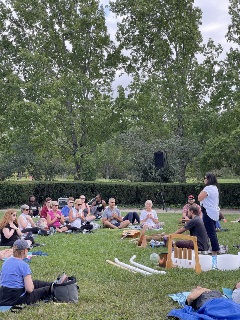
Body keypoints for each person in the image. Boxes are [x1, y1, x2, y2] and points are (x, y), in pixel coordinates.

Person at [0, 239, 53, 306]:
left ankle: (54, 283)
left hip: (4, 294)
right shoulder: (23, 265)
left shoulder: (6, 261)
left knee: (36, 282)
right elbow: (29, 289)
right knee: (45, 290)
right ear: (24, 251)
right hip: (18, 298)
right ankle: (57, 286)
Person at [198, 172, 220, 269]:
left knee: (210, 232)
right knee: (212, 232)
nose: (204, 179)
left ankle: (215, 250)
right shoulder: (215, 188)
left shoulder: (208, 188)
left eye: (205, 178)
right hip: (214, 212)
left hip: (208, 212)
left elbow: (199, 197)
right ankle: (214, 248)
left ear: (208, 179)